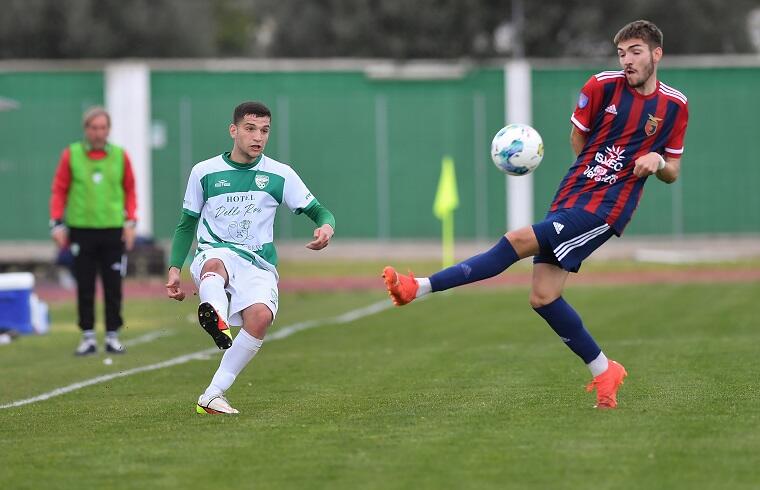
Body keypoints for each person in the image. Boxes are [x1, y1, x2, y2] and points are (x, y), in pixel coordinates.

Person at [383, 20, 688, 409]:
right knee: (543, 297)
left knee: (517, 240)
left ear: (656, 54)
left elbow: (673, 171)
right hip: (573, 194)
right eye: (621, 53)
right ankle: (604, 370)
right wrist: (596, 168)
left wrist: (656, 159)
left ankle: (418, 287)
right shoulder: (600, 86)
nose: (626, 61)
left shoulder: (674, 105)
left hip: (606, 209)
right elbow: (579, 138)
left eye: (635, 52)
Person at [166, 101, 336, 415]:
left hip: (258, 263)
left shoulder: (279, 175)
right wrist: (175, 268)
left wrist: (326, 228)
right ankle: (215, 316)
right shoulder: (204, 172)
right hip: (214, 253)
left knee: (260, 317)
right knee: (216, 264)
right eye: (250, 128)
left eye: (264, 130)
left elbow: (320, 211)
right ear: (233, 131)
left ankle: (212, 395)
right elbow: (186, 222)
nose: (258, 136)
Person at [50, 106, 138, 356]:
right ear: (86, 129)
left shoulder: (120, 156)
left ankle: (112, 335)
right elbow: (59, 190)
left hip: (113, 230)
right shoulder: (72, 154)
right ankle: (87, 336)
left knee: (113, 285)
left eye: (103, 128)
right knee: (85, 285)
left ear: (108, 129)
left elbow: (130, 191)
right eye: (94, 128)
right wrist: (57, 223)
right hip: (81, 230)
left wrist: (131, 222)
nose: (98, 133)